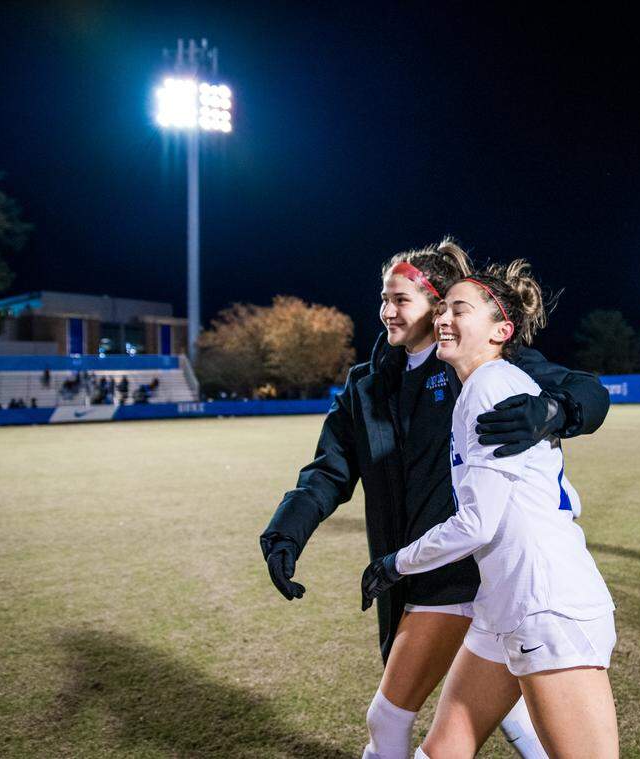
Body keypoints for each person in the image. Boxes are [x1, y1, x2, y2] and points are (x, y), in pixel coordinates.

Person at [261, 239, 610, 759]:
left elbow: (586, 390)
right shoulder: (367, 386)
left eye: (401, 299)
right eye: (383, 298)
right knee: (481, 720)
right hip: (444, 578)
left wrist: (556, 411)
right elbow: (329, 470)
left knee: (394, 718)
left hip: (468, 574)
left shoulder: (483, 366)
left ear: (436, 304)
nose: (386, 310)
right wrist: (285, 531)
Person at [361, 261, 618, 758]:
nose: (444, 319)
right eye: (441, 309)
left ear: (502, 331)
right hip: (503, 603)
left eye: (460, 309)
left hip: (543, 603)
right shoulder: (479, 384)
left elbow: (477, 524)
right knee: (443, 750)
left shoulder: (488, 384)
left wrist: (396, 563)